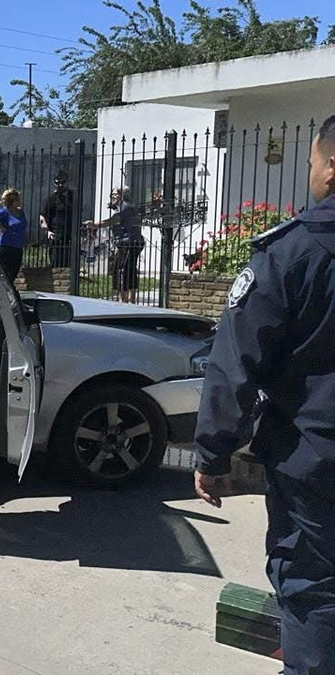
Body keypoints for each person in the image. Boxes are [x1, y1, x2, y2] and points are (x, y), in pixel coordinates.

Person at [193, 114, 335, 675]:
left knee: (316, 591)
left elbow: (234, 367)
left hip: (318, 466)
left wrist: (213, 455)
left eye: (311, 163)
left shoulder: (290, 255)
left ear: (331, 167)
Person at [85, 187, 145, 303]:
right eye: (112, 194)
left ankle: (123, 301)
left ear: (122, 195)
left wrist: (95, 225)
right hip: (134, 242)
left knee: (120, 270)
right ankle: (131, 300)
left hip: (128, 243)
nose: (112, 196)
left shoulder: (124, 207)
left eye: (115, 194)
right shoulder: (128, 206)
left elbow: (113, 220)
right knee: (130, 269)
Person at [0, 188, 28, 284]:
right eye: (17, 199)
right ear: (11, 201)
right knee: (5, 273)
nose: (19, 201)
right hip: (6, 246)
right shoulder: (4, 212)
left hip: (18, 247)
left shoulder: (21, 212)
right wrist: (0, 226)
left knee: (14, 271)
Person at [39, 172, 73, 268]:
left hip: (70, 236)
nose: (60, 185)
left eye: (63, 182)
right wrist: (48, 231)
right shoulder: (51, 198)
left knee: (69, 264)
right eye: (58, 183)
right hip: (56, 235)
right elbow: (42, 216)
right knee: (56, 263)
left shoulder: (73, 197)